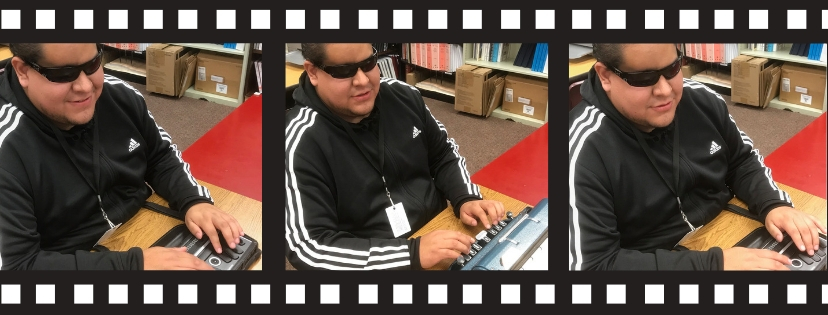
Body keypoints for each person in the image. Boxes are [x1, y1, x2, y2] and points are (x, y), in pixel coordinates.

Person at [568, 43, 827, 271]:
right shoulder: (584, 149)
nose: (665, 91)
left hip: (727, 230)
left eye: (672, 69)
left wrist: (773, 204)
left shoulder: (700, 98)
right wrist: (713, 266)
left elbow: (741, 160)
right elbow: (595, 266)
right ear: (605, 76)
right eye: (644, 78)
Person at [0, 43, 245, 270]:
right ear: (23, 71)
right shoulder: (8, 148)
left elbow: (160, 155)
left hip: (144, 227)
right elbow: (18, 265)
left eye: (92, 64)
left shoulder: (117, 93)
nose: (85, 87)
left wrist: (193, 200)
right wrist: (131, 266)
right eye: (64, 74)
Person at [285, 43, 505, 270]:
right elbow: (308, 247)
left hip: (441, 232)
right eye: (344, 71)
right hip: (377, 264)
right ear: (313, 72)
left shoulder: (403, 95)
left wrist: (465, 197)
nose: (362, 81)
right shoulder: (300, 142)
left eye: (368, 63)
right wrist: (411, 254)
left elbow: (443, 154)